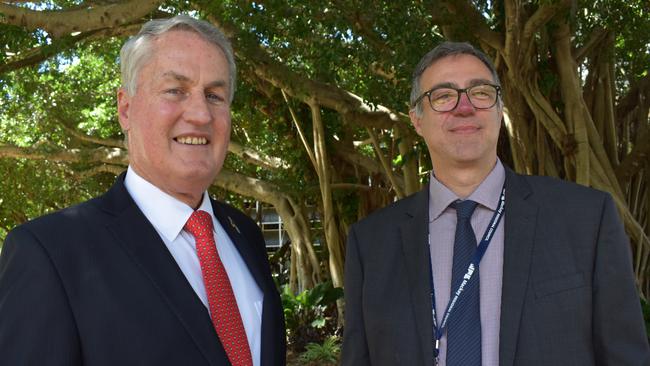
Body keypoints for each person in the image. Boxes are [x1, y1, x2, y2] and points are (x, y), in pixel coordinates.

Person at [0, 15, 285, 366]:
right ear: (125, 107)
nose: (200, 114)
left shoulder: (246, 236)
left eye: (214, 95)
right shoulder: (51, 253)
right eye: (175, 90)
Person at [341, 41, 650, 366]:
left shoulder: (586, 219)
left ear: (500, 109)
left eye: (481, 92)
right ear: (416, 120)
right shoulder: (371, 244)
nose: (465, 107)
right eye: (444, 96)